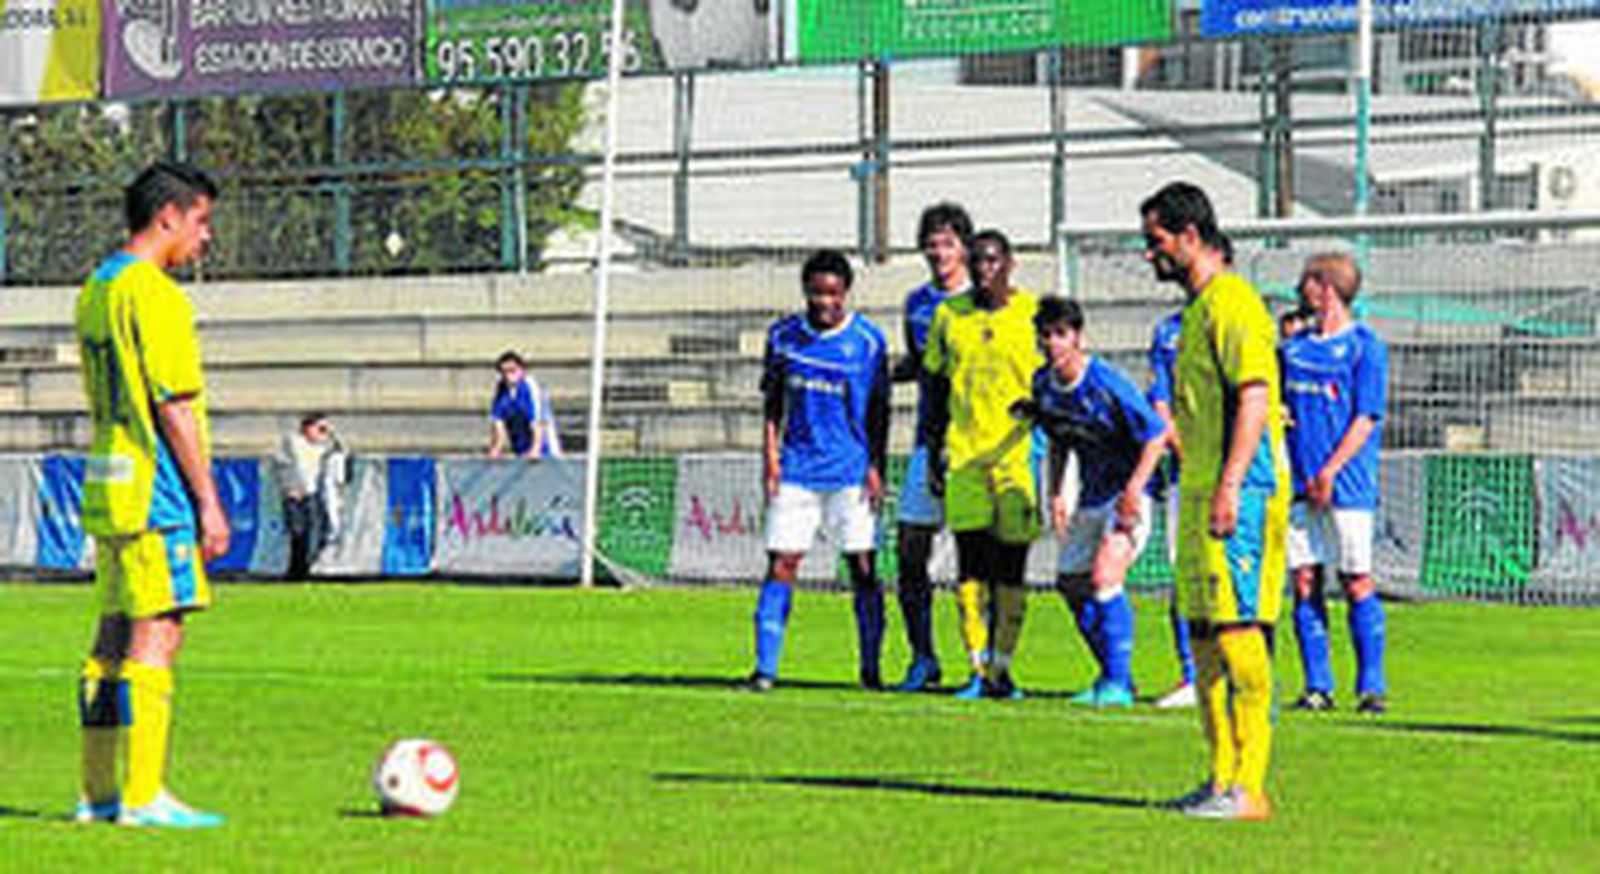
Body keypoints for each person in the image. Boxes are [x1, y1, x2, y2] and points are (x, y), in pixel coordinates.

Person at [73, 161, 229, 828]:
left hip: (110, 485)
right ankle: (143, 797)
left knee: (109, 638)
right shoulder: (158, 295)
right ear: (167, 217)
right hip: (157, 489)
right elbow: (174, 404)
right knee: (158, 632)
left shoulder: (96, 287)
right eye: (202, 220)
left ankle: (99, 794)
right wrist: (208, 501)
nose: (206, 237)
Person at [1141, 181, 1288, 821]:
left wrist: (1230, 484)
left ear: (1190, 236)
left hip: (1242, 491)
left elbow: (1254, 395)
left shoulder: (1234, 304)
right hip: (1200, 491)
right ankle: (1220, 777)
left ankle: (1249, 789)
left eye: (1157, 242)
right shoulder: (1196, 312)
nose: (1151, 255)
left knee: (1236, 634)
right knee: (1201, 642)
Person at [745, 249, 890, 692]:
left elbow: (879, 411)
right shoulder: (784, 336)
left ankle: (870, 670)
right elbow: (773, 403)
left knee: (862, 567)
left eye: (832, 293)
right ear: (805, 291)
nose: (824, 301)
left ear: (846, 293)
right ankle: (765, 669)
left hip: (850, 471)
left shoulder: (867, 341)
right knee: (782, 564)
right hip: (797, 470)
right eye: (816, 292)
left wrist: (876, 466)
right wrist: (770, 457)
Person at [1021, 297, 1169, 707]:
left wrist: (1134, 492)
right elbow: (1058, 438)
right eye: (1046, 335)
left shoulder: (1106, 382)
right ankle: (1112, 673)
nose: (1053, 343)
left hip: (1130, 493)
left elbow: (1156, 436)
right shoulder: (1043, 385)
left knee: (1104, 577)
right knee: (1069, 582)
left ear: (1079, 338)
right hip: (1091, 494)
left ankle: (1118, 685)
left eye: (1061, 334)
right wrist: (1055, 492)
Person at [924, 229, 1042, 701]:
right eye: (977, 261)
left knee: (1011, 567)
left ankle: (1004, 669)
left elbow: (1051, 376)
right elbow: (934, 386)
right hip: (965, 456)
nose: (984, 268)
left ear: (1010, 263)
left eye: (992, 260)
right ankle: (976, 668)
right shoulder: (948, 314)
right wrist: (933, 447)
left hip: (1016, 458)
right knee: (970, 565)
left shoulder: (1031, 313)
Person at [1280, 253, 1390, 715]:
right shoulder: (1290, 350)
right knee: (1305, 580)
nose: (1300, 289)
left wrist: (1330, 470)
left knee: (1356, 579)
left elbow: (1365, 418)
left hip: (1347, 487)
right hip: (1300, 487)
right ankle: (1317, 686)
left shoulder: (1366, 346)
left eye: (1306, 281)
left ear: (1324, 288)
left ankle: (1370, 687)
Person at [891, 202, 974, 692]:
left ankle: (982, 662)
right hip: (927, 441)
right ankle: (923, 658)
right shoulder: (917, 303)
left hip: (972, 448)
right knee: (908, 550)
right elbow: (921, 365)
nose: (938, 252)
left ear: (964, 246)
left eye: (947, 242)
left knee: (974, 559)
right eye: (931, 242)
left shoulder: (981, 301)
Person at [1145, 308, 1199, 709]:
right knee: (1183, 573)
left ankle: (1247, 673)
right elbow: (1160, 400)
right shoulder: (1166, 331)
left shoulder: (1237, 321)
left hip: (1238, 471)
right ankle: (1193, 675)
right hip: (1186, 472)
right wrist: (1183, 449)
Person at [272, 412, 347, 580]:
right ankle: (297, 570)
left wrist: (330, 435)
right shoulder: (292, 442)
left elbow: (339, 452)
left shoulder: (323, 446)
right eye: (318, 427)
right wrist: (289, 488)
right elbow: (283, 467)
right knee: (298, 533)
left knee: (316, 532)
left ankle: (306, 567)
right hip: (295, 495)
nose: (322, 432)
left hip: (312, 494)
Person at [488, 351, 561, 459]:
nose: (508, 376)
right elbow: (499, 423)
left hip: (545, 448)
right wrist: (496, 449)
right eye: (504, 372)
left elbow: (537, 423)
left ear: (521, 370)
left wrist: (535, 449)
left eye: (512, 371)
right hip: (521, 447)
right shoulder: (501, 390)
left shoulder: (530, 388)